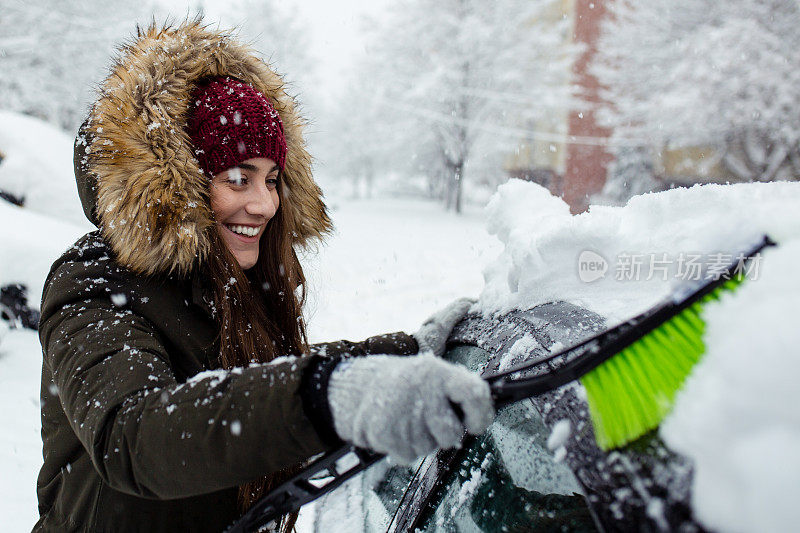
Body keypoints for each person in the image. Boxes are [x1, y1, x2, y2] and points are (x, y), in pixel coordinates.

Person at [35, 20, 494, 532]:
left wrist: (403, 352)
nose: (263, 204)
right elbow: (134, 437)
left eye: (272, 180)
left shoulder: (231, 278)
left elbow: (264, 381)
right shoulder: (93, 285)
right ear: (177, 183)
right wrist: (329, 397)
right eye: (237, 178)